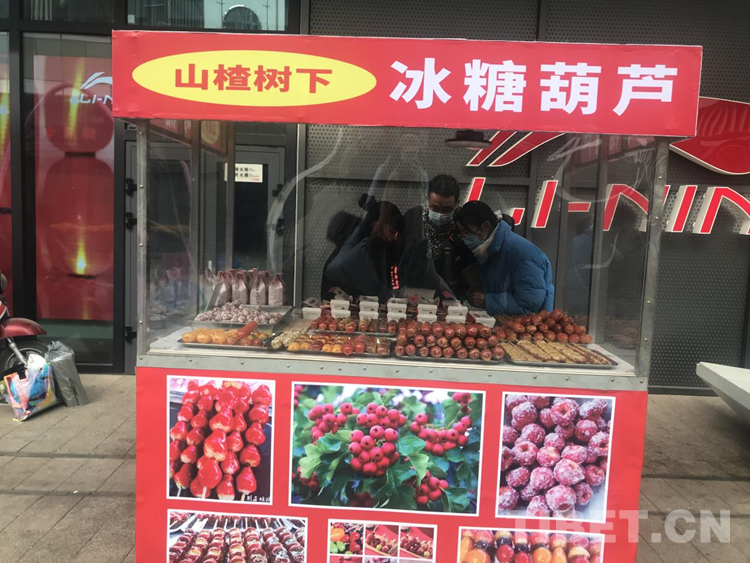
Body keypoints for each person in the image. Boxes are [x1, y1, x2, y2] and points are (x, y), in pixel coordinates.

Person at [454, 200, 554, 316]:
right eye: (462, 234)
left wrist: (487, 301)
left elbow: (529, 302)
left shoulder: (521, 252)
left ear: (485, 227)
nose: (465, 238)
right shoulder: (489, 250)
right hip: (505, 322)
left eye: (467, 232)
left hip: (529, 323)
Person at [403, 174, 475, 298]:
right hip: (416, 293)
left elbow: (471, 267)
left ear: (457, 203)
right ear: (427, 200)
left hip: (453, 296)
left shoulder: (464, 226)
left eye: (447, 209)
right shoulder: (413, 219)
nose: (440, 214)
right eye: (434, 207)